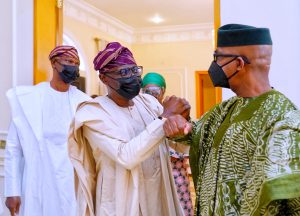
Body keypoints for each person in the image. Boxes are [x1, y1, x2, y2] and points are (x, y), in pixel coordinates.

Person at [163, 24, 300, 215]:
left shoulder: (284, 120)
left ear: (238, 64)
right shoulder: (225, 109)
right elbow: (194, 134)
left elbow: (291, 198)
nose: (214, 65)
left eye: (218, 58)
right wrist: (178, 125)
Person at [68, 42, 191, 216]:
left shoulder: (148, 103)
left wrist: (182, 124)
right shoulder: (93, 112)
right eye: (123, 72)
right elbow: (125, 156)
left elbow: (177, 147)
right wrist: (165, 118)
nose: (133, 77)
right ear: (104, 78)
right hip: (121, 200)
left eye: (135, 70)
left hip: (156, 195)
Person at [5, 45, 90, 216]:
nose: (73, 66)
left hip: (70, 183)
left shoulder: (84, 102)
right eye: (68, 61)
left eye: (76, 63)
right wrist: (11, 190)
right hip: (37, 179)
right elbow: (13, 148)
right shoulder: (28, 98)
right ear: (54, 63)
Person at [142, 72, 193, 216]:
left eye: (155, 91)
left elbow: (186, 138)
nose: (152, 95)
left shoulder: (174, 108)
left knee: (181, 209)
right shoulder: (140, 111)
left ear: (163, 90)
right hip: (151, 172)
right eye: (148, 91)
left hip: (176, 170)